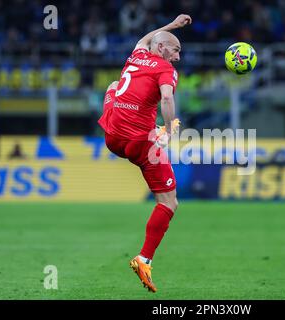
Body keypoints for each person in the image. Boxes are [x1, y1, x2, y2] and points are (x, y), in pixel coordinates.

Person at [98, 14, 192, 293]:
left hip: (112, 138)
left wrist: (172, 26)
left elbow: (145, 39)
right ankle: (144, 259)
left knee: (113, 87)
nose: (177, 57)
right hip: (141, 143)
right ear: (162, 49)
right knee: (169, 202)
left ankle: (122, 118)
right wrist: (170, 130)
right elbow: (166, 97)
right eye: (176, 50)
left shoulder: (137, 55)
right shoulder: (165, 69)